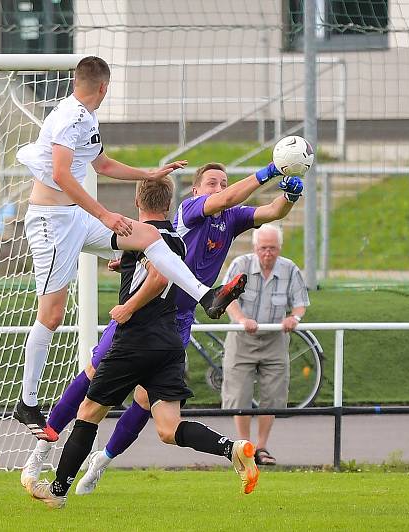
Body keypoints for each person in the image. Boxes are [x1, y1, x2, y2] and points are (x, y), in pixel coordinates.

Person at [13, 57, 262, 441]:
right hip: (52, 223)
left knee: (149, 238)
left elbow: (101, 165)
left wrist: (149, 173)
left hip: (76, 219)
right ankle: (27, 402)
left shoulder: (87, 119)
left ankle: (206, 295)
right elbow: (61, 174)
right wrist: (105, 214)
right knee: (51, 315)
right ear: (104, 87)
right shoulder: (69, 118)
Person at [21, 161, 305, 490]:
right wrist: (271, 170)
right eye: (212, 182)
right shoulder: (192, 208)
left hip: (176, 321)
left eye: (223, 182)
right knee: (93, 376)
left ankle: (102, 461)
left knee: (146, 401)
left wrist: (289, 196)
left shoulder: (231, 217)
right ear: (196, 191)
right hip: (145, 308)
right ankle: (40, 452)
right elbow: (221, 203)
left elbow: (272, 212)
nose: (219, 187)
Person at [221, 223, 310, 466]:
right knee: (239, 394)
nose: (267, 253)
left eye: (272, 248)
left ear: (279, 248)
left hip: (274, 338)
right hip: (242, 339)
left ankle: (261, 446)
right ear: (254, 247)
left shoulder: (289, 268)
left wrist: (295, 317)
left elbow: (300, 302)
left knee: (273, 394)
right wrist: (241, 319)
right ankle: (243, 447)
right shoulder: (241, 265)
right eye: (263, 248)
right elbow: (226, 298)